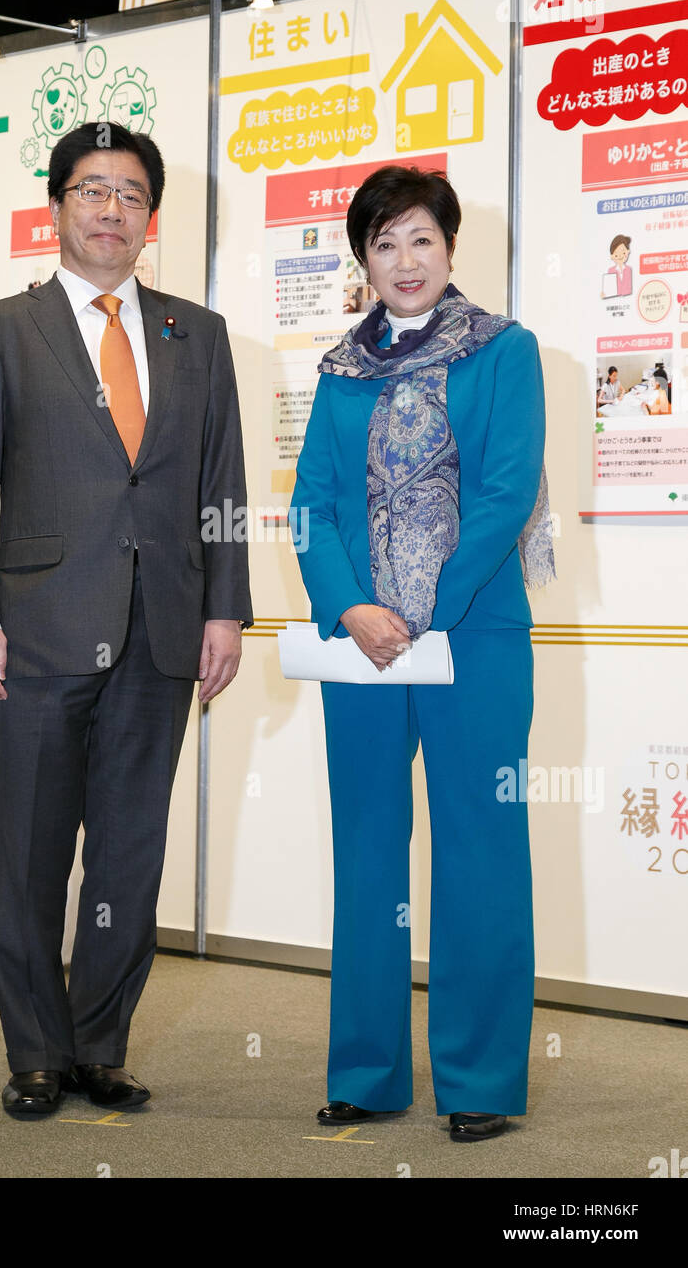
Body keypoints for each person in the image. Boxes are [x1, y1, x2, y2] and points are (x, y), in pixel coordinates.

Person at [0, 120, 252, 1120]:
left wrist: (227, 608)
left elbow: (221, 484)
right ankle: (34, 1049)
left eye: (128, 193)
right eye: (90, 190)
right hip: (34, 625)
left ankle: (98, 1044)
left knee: (130, 851)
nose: (109, 209)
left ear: (150, 217)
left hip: (162, 632)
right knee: (33, 848)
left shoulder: (193, 334)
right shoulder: (1, 328)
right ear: (56, 206)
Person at [290, 165, 554, 1143]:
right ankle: (365, 1069)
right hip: (358, 646)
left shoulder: (504, 351)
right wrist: (351, 608)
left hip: (471, 639)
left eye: (420, 241)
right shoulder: (335, 370)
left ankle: (479, 1074)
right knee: (365, 850)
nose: (403, 262)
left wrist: (421, 608)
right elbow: (310, 504)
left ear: (449, 249)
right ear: (362, 259)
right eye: (383, 244)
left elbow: (503, 492)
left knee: (480, 852)